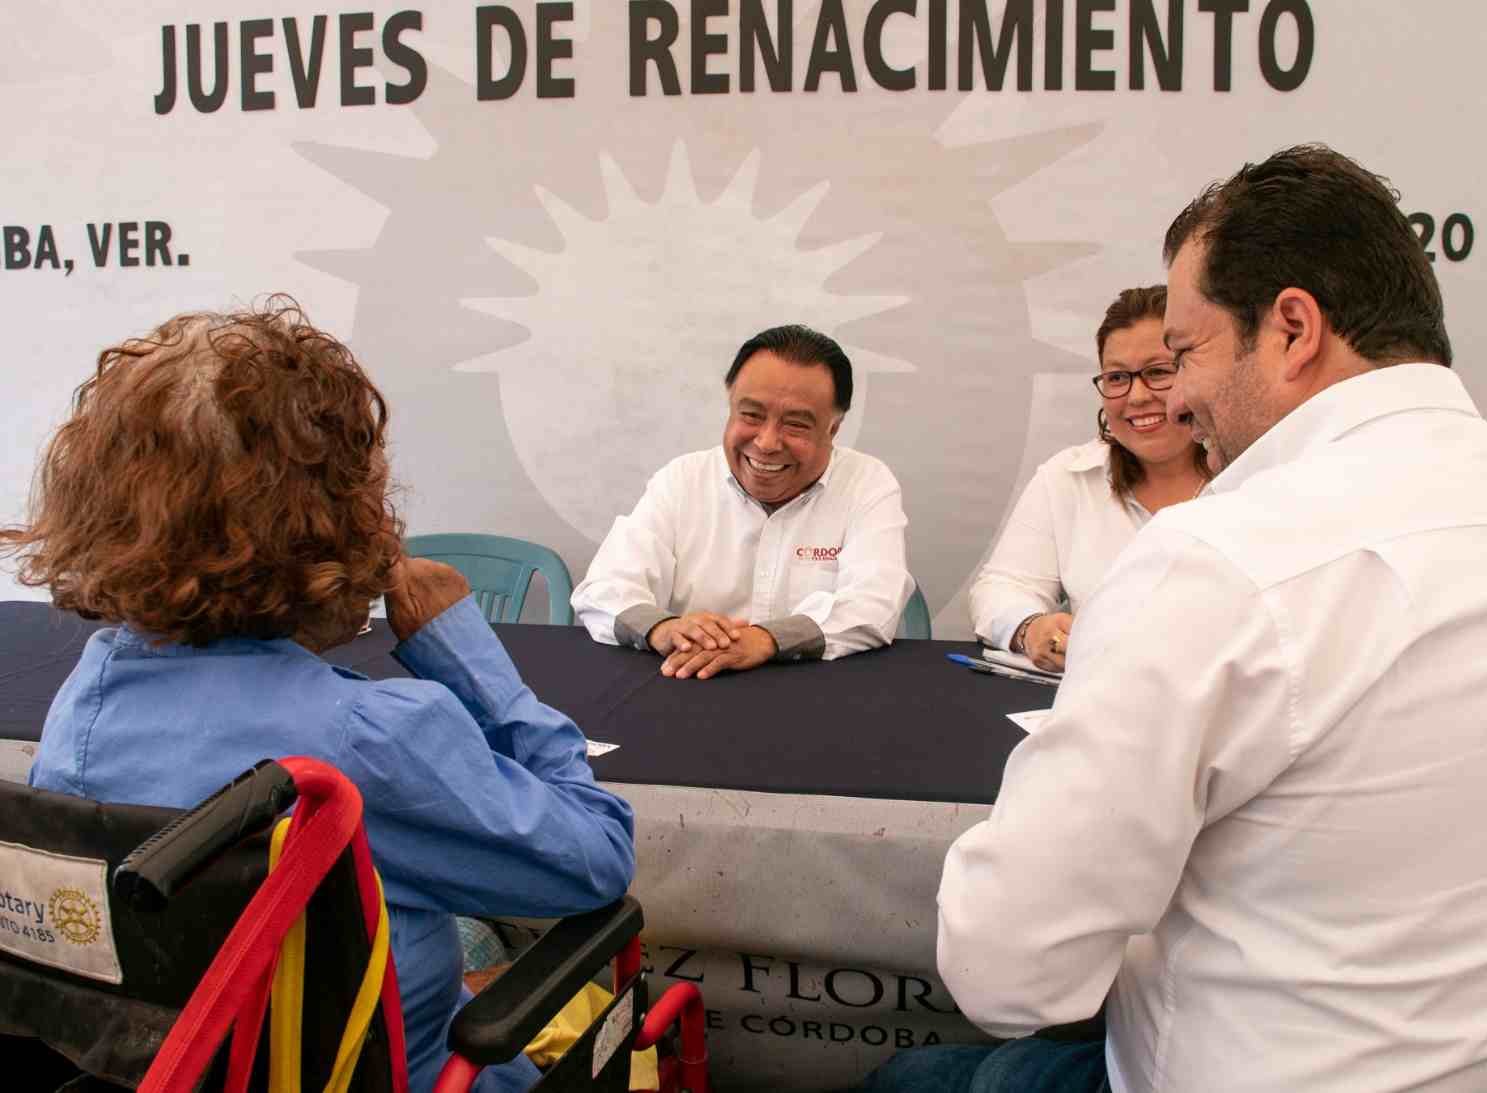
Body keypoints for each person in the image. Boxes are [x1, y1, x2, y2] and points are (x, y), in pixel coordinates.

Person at [864, 144, 1487, 1092]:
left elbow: (1007, 968)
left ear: (1293, 328)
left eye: (1182, 354)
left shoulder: (1218, 560)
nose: (1176, 395)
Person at [3, 301, 635, 1092]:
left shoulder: (87, 699)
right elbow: (598, 860)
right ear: (332, 520)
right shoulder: (369, 737)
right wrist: (472, 660)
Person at [570, 324, 913, 679]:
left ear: (833, 428)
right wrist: (665, 629)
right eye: (751, 415)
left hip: (818, 694)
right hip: (693, 688)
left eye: (795, 424)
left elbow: (876, 603)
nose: (766, 443)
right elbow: (602, 589)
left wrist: (764, 639)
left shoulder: (867, 483)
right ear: (730, 403)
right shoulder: (682, 479)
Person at [968, 286, 1209, 671]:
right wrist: (1032, 628)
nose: (1137, 396)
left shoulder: (1252, 475)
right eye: (1117, 378)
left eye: (1158, 372)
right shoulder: (1067, 478)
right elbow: (1000, 587)